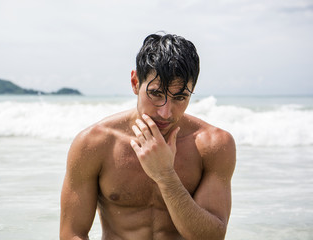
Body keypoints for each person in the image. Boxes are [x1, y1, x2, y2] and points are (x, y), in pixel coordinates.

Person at [60, 33, 236, 240]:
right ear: (135, 83)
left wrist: (166, 176)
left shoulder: (213, 145)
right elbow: (72, 233)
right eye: (156, 94)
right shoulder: (94, 143)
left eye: (180, 97)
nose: (166, 112)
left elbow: (212, 237)